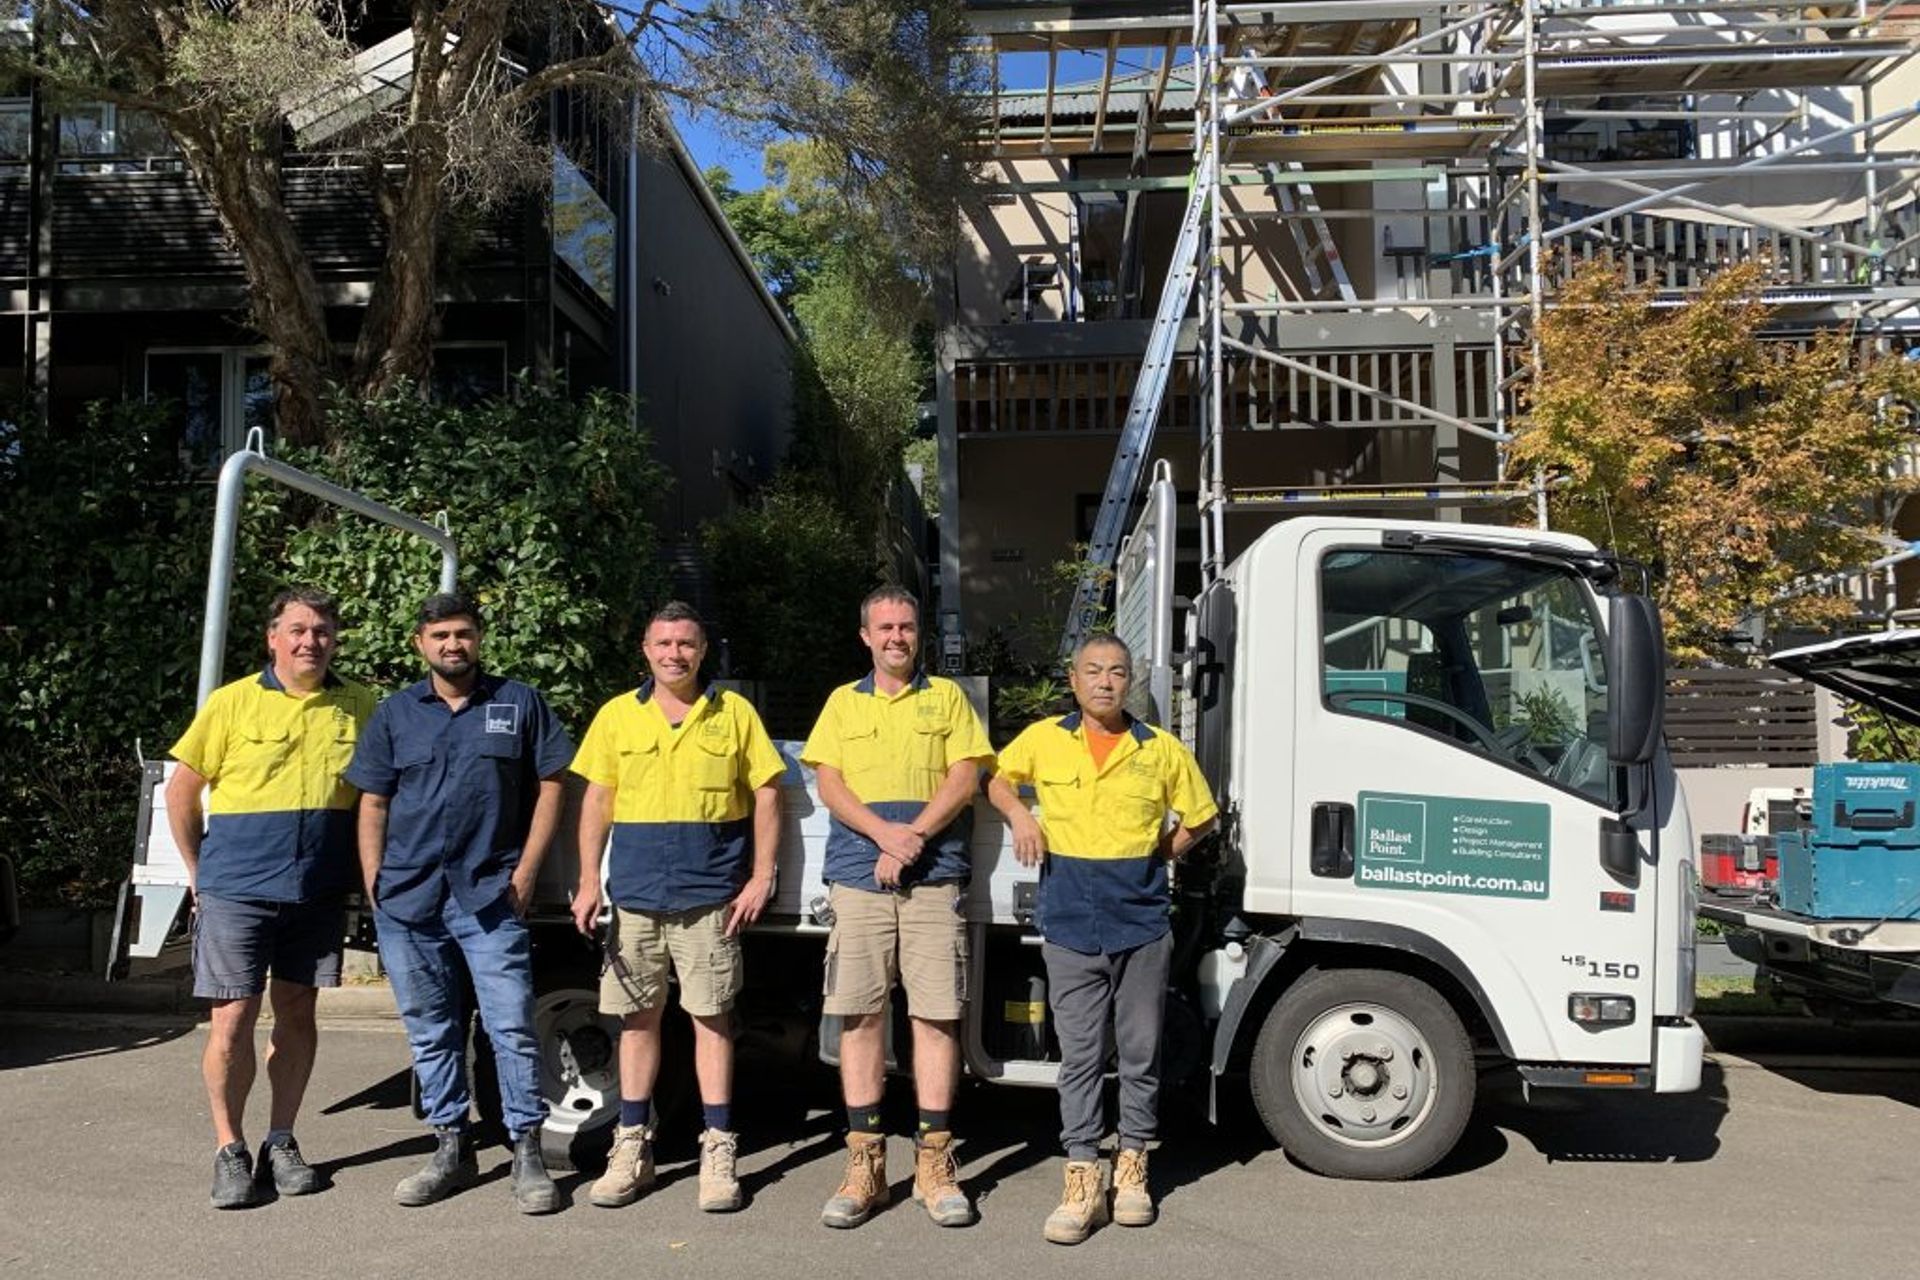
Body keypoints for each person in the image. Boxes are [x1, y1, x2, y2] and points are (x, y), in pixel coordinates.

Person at [344, 592, 575, 1215]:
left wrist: (527, 869)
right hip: (409, 899)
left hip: (489, 895)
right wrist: (375, 880)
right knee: (431, 1032)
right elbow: (373, 801)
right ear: (421, 643)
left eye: (464, 633)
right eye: (441, 635)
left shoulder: (518, 702)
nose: (453, 645)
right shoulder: (395, 714)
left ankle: (526, 1151)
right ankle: (450, 1146)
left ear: (479, 639)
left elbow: (552, 783)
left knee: (512, 1029)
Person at [985, 632, 1217, 1246]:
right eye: (1094, 671)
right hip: (1068, 921)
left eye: (1117, 671)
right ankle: (1082, 1174)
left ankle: (1134, 1166)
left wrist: (1159, 855)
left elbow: (1202, 815)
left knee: (1140, 1052)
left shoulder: (1159, 750)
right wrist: (1021, 815)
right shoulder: (1044, 739)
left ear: (1129, 680)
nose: (1106, 681)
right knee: (1080, 1056)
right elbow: (997, 780)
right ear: (1074, 678)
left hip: (1140, 922)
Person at [165, 587, 377, 1209]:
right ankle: (229, 1149)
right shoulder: (232, 703)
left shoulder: (360, 704)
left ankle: (280, 1140)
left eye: (322, 631)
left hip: (315, 891)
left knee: (298, 1014)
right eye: (298, 630)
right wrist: (198, 872)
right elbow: (183, 791)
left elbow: (373, 797)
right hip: (237, 889)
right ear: (273, 638)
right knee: (230, 1020)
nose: (310, 640)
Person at [569, 601, 784, 1213]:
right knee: (636, 1023)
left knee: (711, 1021)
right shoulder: (617, 716)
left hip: (709, 899)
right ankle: (631, 1148)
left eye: (685, 644)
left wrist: (760, 876)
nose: (674, 654)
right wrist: (588, 880)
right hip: (635, 899)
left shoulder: (734, 713)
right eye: (663, 644)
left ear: (702, 650)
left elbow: (768, 793)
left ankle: (718, 1151)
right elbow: (597, 802)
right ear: (645, 649)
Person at [800, 586, 994, 1230]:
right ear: (865, 636)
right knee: (859, 1016)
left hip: (934, 878)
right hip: (859, 878)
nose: (895, 637)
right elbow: (828, 782)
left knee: (937, 1017)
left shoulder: (947, 700)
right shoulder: (840, 703)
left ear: (919, 634)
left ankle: (935, 1164)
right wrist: (887, 836)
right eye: (884, 627)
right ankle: (866, 1164)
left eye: (906, 626)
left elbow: (964, 777)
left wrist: (913, 839)